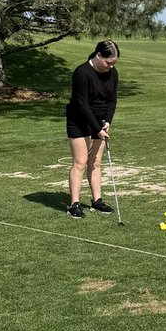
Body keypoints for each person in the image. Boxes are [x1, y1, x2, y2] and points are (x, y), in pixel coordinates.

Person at [65, 41, 120, 219]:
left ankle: (97, 202)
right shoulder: (82, 73)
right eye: (108, 62)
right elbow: (82, 104)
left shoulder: (112, 73)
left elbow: (112, 100)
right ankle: (73, 204)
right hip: (79, 119)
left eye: (113, 63)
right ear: (98, 56)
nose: (110, 66)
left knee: (95, 162)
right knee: (80, 161)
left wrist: (107, 122)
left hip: (99, 121)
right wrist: (97, 129)